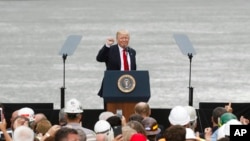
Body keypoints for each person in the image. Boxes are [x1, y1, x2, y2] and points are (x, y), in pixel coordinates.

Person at [96, 29, 137, 98]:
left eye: (126, 38)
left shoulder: (132, 52)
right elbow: (99, 59)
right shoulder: (110, 50)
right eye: (122, 38)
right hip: (112, 84)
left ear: (129, 39)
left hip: (128, 86)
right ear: (117, 39)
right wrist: (107, 46)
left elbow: (133, 69)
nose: (124, 40)